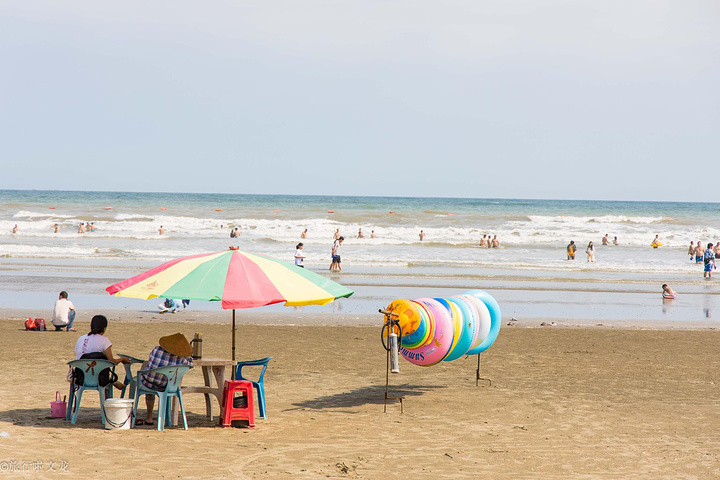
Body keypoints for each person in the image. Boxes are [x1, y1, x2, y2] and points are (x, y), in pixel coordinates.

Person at [136, 333, 194, 426]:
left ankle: (149, 416)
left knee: (148, 374)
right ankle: (167, 419)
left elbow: (151, 361)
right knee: (164, 383)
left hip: (148, 383)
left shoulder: (156, 350)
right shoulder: (182, 359)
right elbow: (190, 365)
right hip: (167, 387)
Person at [74, 315, 131, 391]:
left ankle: (112, 381)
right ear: (104, 328)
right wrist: (122, 359)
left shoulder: (81, 338)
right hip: (99, 379)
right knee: (102, 363)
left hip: (80, 377)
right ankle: (111, 381)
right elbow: (111, 362)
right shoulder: (104, 341)